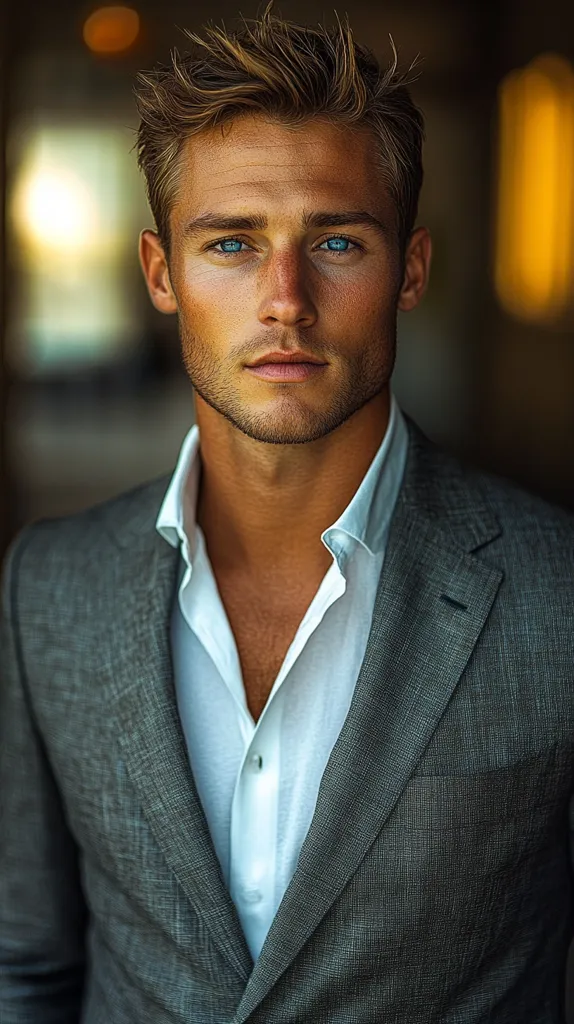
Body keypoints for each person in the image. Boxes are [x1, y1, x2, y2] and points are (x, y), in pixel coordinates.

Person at [1, 4, 573, 1022]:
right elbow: (23, 964)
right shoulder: (46, 588)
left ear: (410, 269)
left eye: (337, 242)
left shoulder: (556, 593)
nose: (284, 299)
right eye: (230, 242)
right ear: (160, 273)